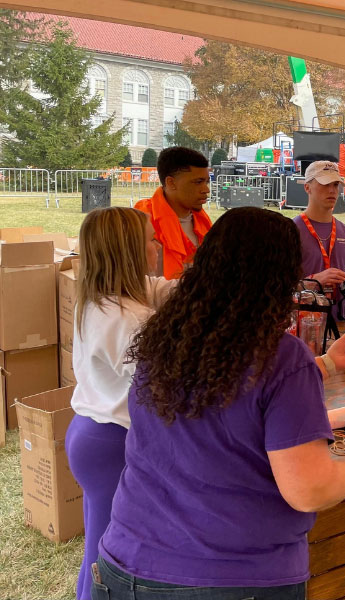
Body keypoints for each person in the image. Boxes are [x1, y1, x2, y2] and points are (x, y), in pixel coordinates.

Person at [95, 207, 345, 599]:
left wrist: (322, 364)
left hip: (124, 565)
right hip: (231, 579)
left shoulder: (169, 337)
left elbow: (229, 390)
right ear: (284, 276)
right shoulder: (280, 356)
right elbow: (309, 489)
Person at [65, 207, 174, 600]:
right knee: (109, 559)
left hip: (91, 434)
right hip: (113, 441)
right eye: (149, 239)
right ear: (129, 251)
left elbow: (160, 288)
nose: (156, 246)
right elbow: (168, 383)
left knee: (98, 542)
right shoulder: (128, 319)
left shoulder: (102, 298)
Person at [293, 161, 345, 319]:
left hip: (340, 327)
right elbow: (272, 288)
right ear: (307, 187)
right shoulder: (288, 232)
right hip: (300, 329)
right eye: (325, 184)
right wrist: (314, 281)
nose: (332, 190)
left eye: (336, 184)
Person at [135, 147, 212, 279]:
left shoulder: (204, 223)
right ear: (171, 183)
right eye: (198, 182)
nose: (206, 190)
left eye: (206, 182)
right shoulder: (140, 222)